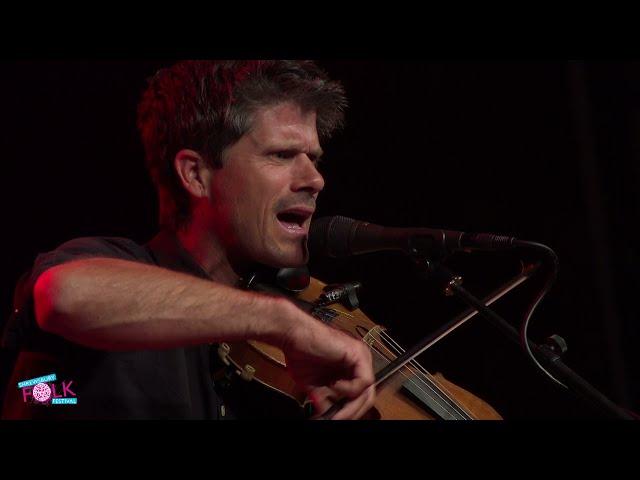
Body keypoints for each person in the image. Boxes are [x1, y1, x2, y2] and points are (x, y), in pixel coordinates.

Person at [1, 60, 376, 420]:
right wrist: (281, 321)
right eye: (282, 154)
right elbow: (62, 297)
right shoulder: (114, 266)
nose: (315, 180)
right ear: (195, 174)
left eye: (314, 158)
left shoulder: (279, 369)